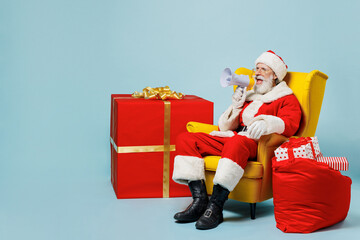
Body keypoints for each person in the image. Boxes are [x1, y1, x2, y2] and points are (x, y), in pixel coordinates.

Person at [172, 50, 302, 230]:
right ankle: (199, 202)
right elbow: (225, 127)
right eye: (256, 68)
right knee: (185, 139)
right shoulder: (250, 96)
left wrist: (268, 124)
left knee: (236, 143)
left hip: (256, 144)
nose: (257, 72)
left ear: (275, 76)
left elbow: (290, 124)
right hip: (234, 139)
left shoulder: (286, 99)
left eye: (263, 69)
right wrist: (236, 106)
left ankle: (215, 207)